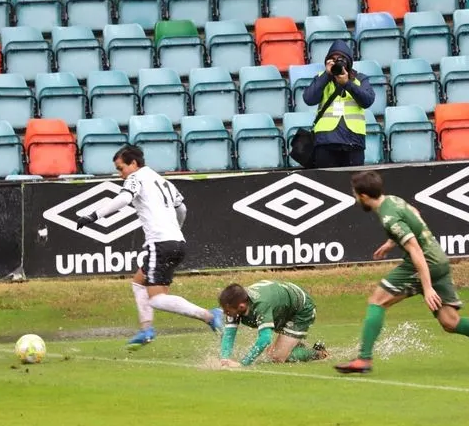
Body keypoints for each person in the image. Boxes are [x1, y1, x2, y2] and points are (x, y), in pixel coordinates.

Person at [334, 170, 469, 375]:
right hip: (438, 259)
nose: (355, 198)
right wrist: (391, 242)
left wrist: (427, 288)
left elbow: (416, 250)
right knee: (450, 322)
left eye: (355, 194)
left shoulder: (388, 217)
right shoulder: (393, 200)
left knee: (377, 301)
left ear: (364, 196)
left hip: (425, 263)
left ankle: (364, 358)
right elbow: (414, 214)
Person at [76, 145, 223, 350]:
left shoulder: (135, 178)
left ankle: (209, 316)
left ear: (133, 163)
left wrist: (93, 216)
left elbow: (124, 198)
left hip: (159, 244)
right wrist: (176, 229)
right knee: (139, 282)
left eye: (121, 168)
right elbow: (182, 209)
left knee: (157, 299)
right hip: (177, 242)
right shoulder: (163, 181)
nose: (120, 174)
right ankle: (146, 329)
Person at [217, 280, 329, 368]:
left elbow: (265, 339)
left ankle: (318, 353)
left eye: (227, 310)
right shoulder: (237, 302)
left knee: (276, 357)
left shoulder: (261, 305)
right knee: (271, 352)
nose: (225, 313)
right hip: (283, 306)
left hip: (301, 309)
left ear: (241, 306)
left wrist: (243, 364)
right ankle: (294, 345)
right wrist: (224, 359)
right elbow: (229, 334)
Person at [302, 39, 375, 169]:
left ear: (348, 62)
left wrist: (347, 83)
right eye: (333, 59)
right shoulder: (321, 77)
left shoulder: (360, 79)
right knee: (325, 180)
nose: (337, 63)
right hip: (326, 140)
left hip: (353, 139)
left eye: (341, 59)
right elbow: (309, 99)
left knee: (354, 179)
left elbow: (367, 101)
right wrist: (326, 75)